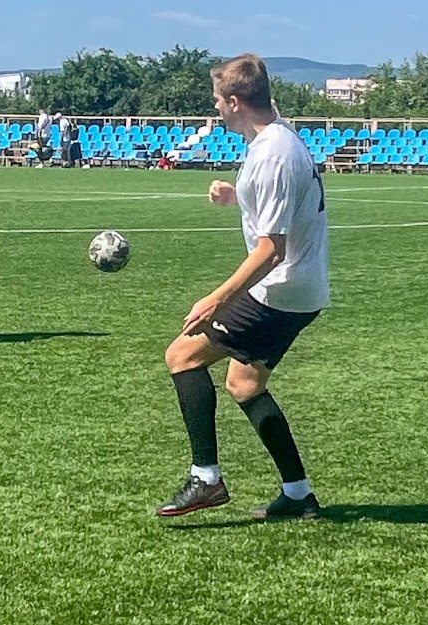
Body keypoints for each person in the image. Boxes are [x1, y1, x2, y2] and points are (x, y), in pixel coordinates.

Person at [156, 54, 329, 520]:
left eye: (217, 100)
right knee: (245, 382)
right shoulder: (274, 134)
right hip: (302, 287)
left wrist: (217, 297)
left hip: (281, 286)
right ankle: (298, 495)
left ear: (235, 101)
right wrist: (239, 195)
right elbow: (288, 201)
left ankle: (206, 479)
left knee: (182, 356)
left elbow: (271, 249)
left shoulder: (274, 153)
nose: (215, 108)